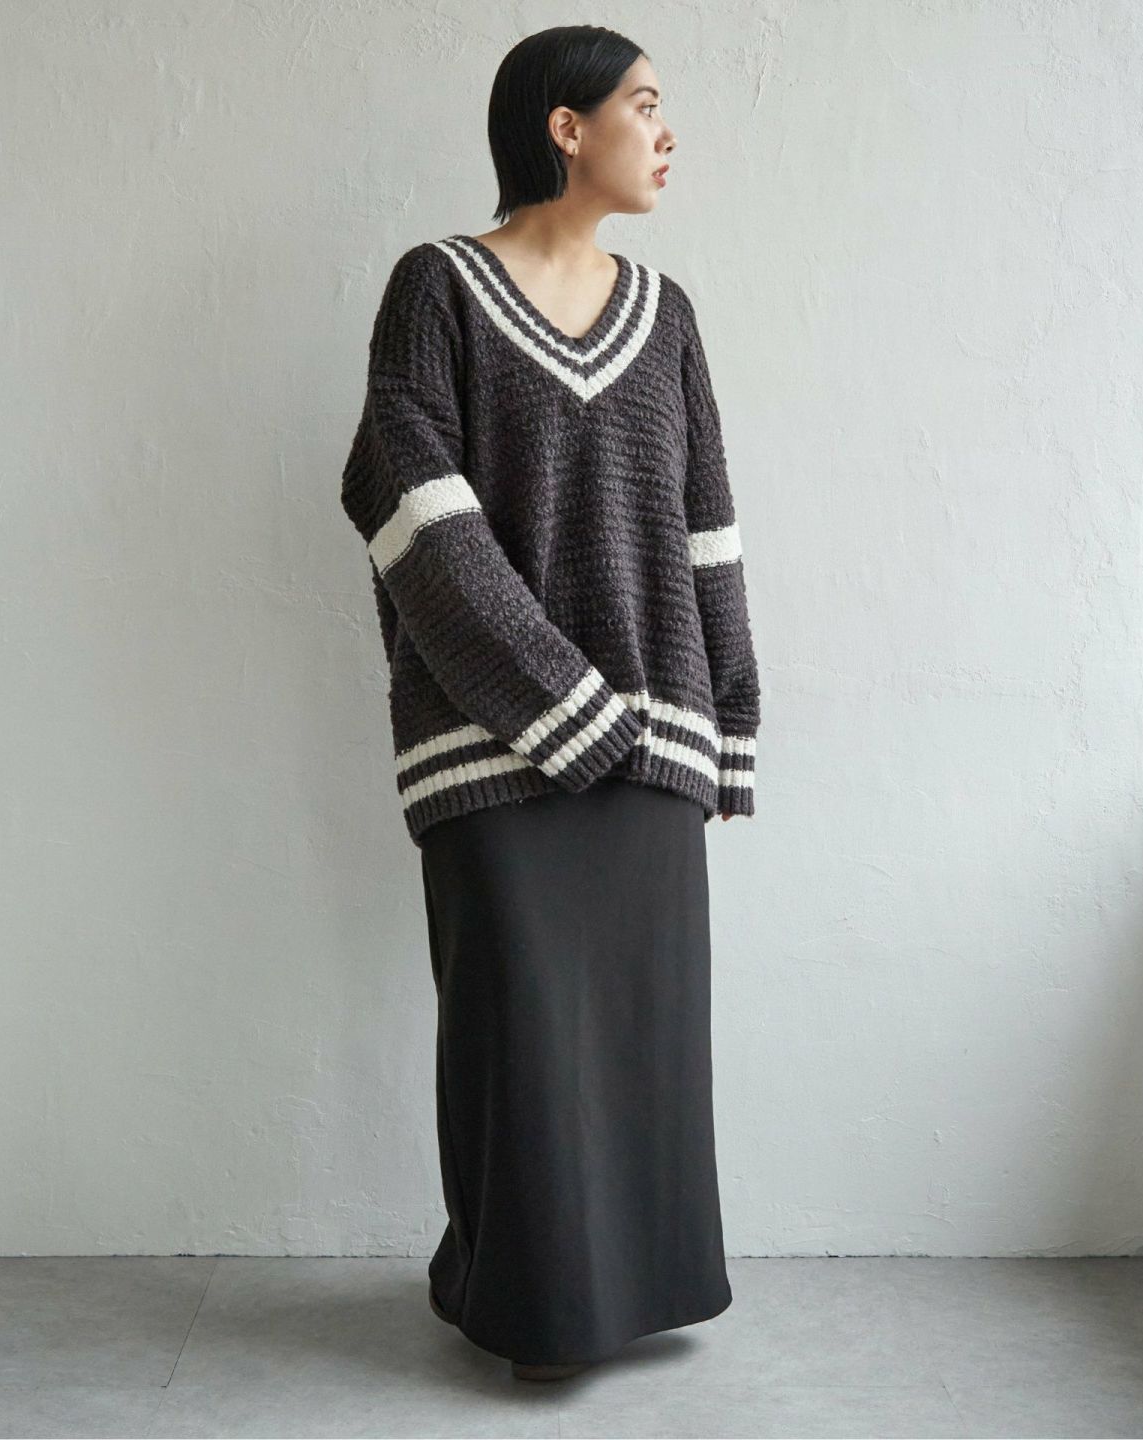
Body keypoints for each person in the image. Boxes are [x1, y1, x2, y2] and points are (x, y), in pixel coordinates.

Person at [340, 24, 761, 1382]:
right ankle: (528, 1310)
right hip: (492, 745)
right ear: (565, 127)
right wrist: (564, 703)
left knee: (644, 1042)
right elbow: (406, 501)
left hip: (652, 751)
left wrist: (727, 721)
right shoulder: (439, 289)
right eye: (644, 104)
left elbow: (706, 530)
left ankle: (640, 1295)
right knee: (519, 1047)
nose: (668, 132)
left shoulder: (668, 314)